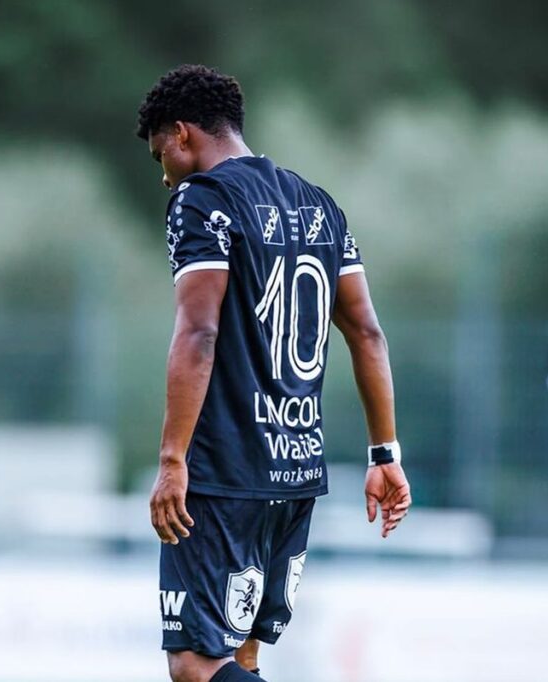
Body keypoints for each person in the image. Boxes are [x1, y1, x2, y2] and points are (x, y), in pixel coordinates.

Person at [136, 64, 412, 682]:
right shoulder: (319, 204)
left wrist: (173, 459)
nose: (164, 175)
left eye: (162, 155)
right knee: (242, 658)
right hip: (295, 470)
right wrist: (384, 452)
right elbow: (366, 330)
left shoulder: (203, 199)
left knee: (194, 665)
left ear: (183, 134)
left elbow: (199, 332)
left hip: (227, 470)